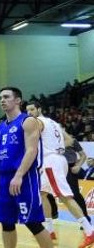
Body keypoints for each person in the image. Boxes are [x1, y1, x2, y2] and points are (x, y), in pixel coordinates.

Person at [0, 87, 52, 248]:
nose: (2, 100)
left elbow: (32, 150)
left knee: (33, 223)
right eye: (0, 97)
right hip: (4, 181)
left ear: (18, 100)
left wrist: (19, 175)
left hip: (24, 179)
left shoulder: (28, 121)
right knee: (6, 223)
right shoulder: (0, 127)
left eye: (6, 97)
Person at [25, 101, 94, 243]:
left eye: (32, 109)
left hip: (51, 161)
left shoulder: (38, 122)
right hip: (57, 159)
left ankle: (89, 231)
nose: (29, 113)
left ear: (39, 109)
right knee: (42, 194)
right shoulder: (54, 123)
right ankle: (49, 231)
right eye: (27, 111)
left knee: (65, 197)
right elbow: (69, 140)